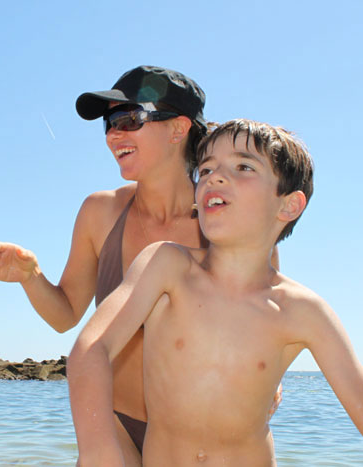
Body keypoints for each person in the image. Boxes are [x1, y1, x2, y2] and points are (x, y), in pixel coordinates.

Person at [0, 66, 281, 462]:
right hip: (114, 426)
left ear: (178, 129)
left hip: (199, 438)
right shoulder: (100, 212)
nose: (113, 135)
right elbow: (66, 315)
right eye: (109, 123)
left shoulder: (229, 220)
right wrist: (30, 277)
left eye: (128, 119)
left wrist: (271, 379)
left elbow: (268, 323)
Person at [67, 119, 363, 465]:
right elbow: (92, 348)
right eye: (206, 169)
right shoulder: (166, 266)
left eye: (242, 166)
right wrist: (99, 450)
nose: (214, 177)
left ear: (289, 206)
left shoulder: (303, 311)